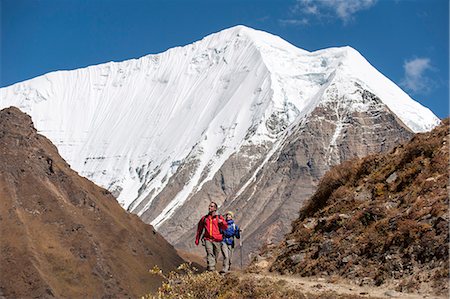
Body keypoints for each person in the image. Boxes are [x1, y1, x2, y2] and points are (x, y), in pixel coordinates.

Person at [195, 202, 228, 271]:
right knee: (210, 254)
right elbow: (199, 229)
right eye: (209, 206)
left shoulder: (219, 218)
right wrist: (197, 239)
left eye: (212, 206)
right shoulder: (204, 219)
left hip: (217, 240)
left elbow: (225, 227)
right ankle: (211, 270)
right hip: (208, 239)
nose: (210, 207)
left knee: (215, 256)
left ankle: (209, 268)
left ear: (215, 208)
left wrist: (221, 222)